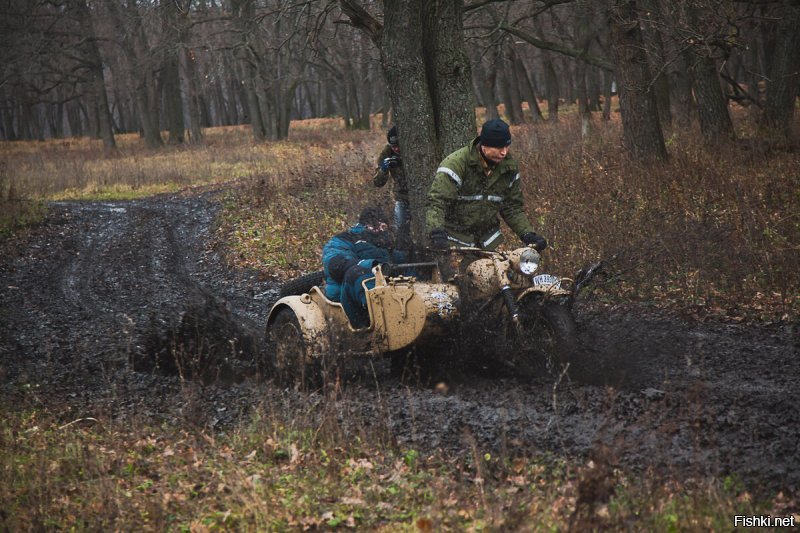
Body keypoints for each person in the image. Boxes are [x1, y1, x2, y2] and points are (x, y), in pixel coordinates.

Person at [425, 118, 547, 251]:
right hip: (455, 242)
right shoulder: (456, 164)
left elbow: (512, 207)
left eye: (507, 146)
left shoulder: (509, 168)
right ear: (484, 145)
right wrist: (436, 232)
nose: (504, 152)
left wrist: (528, 234)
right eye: (498, 147)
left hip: (489, 242)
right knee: (458, 272)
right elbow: (437, 203)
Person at [322, 206, 405, 328]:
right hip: (346, 299)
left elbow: (403, 262)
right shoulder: (345, 239)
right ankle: (374, 325)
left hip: (390, 293)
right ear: (367, 225)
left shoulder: (387, 243)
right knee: (358, 273)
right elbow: (335, 264)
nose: (382, 231)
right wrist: (372, 266)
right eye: (379, 226)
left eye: (385, 227)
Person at [373, 125, 410, 247]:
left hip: (422, 196)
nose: (397, 149)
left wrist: (403, 162)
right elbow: (378, 182)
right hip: (402, 197)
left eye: (399, 146)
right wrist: (384, 169)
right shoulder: (387, 152)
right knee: (401, 230)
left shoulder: (413, 147)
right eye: (394, 147)